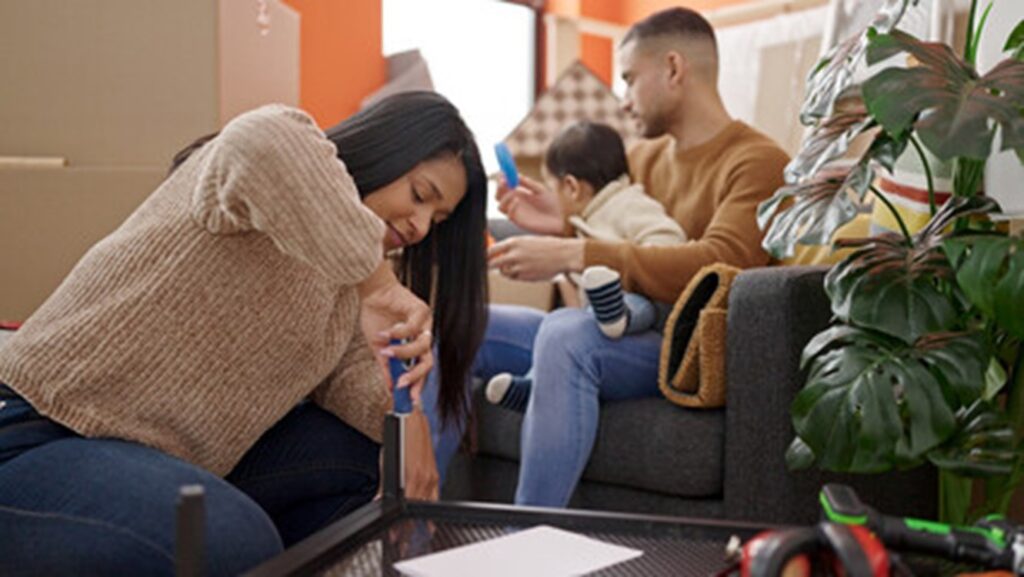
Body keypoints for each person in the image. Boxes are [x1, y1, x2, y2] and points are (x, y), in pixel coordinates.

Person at [0, 91, 488, 576]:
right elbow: (260, 144)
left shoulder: (347, 285)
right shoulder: (264, 172)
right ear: (387, 150)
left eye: (437, 221)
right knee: (230, 537)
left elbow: (356, 380)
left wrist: (408, 421)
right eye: (421, 196)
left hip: (159, 461)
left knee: (363, 463)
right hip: (41, 433)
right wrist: (377, 284)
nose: (422, 225)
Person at [463, 7, 791, 508]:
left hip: (682, 348)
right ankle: (412, 521)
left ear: (674, 69)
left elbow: (722, 264)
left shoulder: (758, 162)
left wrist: (575, 248)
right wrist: (564, 219)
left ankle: (526, 539)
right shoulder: (640, 159)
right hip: (617, 330)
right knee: (469, 324)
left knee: (565, 334)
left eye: (630, 79)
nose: (623, 97)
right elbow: (613, 225)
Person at [484, 120, 687, 412]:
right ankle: (532, 384)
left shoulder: (628, 203)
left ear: (571, 187)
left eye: (553, 188)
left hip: (646, 315)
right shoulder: (587, 220)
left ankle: (620, 314)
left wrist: (614, 264)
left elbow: (671, 241)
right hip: (602, 323)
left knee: (624, 302)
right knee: (562, 324)